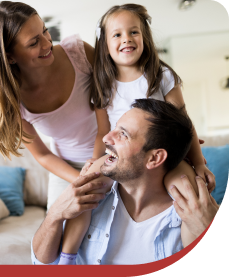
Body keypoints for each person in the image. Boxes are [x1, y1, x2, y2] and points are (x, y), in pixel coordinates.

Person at [60, 3, 215, 263]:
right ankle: (67, 257)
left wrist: (198, 163)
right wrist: (95, 160)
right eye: (117, 34)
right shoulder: (102, 85)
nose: (126, 39)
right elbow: (103, 133)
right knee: (85, 189)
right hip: (120, 155)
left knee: (188, 191)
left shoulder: (161, 75)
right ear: (105, 44)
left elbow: (185, 124)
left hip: (166, 157)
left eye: (134, 32)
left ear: (144, 37)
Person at [31, 99, 219, 265]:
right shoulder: (90, 197)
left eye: (123, 135)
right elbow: (42, 265)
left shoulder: (191, 216)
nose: (106, 138)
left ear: (154, 158)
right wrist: (54, 215)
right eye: (114, 128)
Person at [0, 1, 113, 210]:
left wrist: (95, 168)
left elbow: (116, 101)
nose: (47, 44)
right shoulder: (13, 102)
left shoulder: (80, 54)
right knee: (55, 231)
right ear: (10, 57)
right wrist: (80, 179)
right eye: (33, 43)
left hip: (111, 153)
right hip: (66, 167)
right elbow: (42, 154)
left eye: (45, 31)